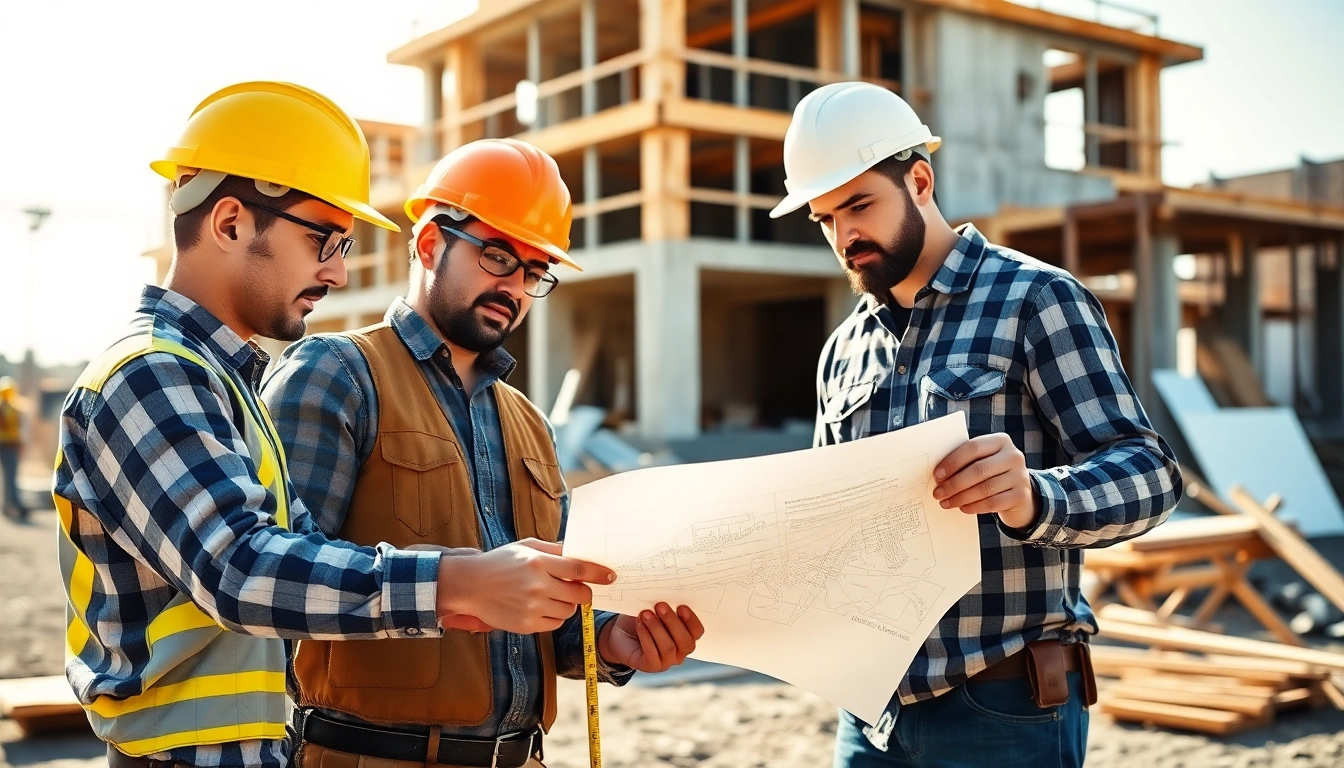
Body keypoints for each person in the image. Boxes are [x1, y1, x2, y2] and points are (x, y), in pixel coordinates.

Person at [53, 83, 622, 768]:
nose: (337, 269)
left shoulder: (220, 383)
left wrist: (603, 636)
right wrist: (457, 583)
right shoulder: (150, 374)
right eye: (323, 237)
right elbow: (241, 568)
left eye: (343, 244)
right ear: (230, 222)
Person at [768, 82, 1183, 767]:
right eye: (824, 219)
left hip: (1004, 709)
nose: (845, 236)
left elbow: (1150, 475)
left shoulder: (1035, 300)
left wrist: (1033, 497)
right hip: (870, 718)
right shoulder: (842, 351)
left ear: (921, 180)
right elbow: (826, 531)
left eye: (859, 206)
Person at [261, 138, 704, 767]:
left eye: (533, 271)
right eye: (498, 255)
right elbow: (277, 579)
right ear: (429, 244)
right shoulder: (336, 374)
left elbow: (543, 620)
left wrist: (612, 640)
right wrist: (455, 585)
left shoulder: (528, 422)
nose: (515, 286)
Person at [0, 376, 29, 522]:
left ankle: (7, 507)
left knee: (8, 478)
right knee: (11, 478)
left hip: (8, 445)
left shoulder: (10, 408)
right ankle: (14, 506)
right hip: (9, 446)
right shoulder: (13, 409)